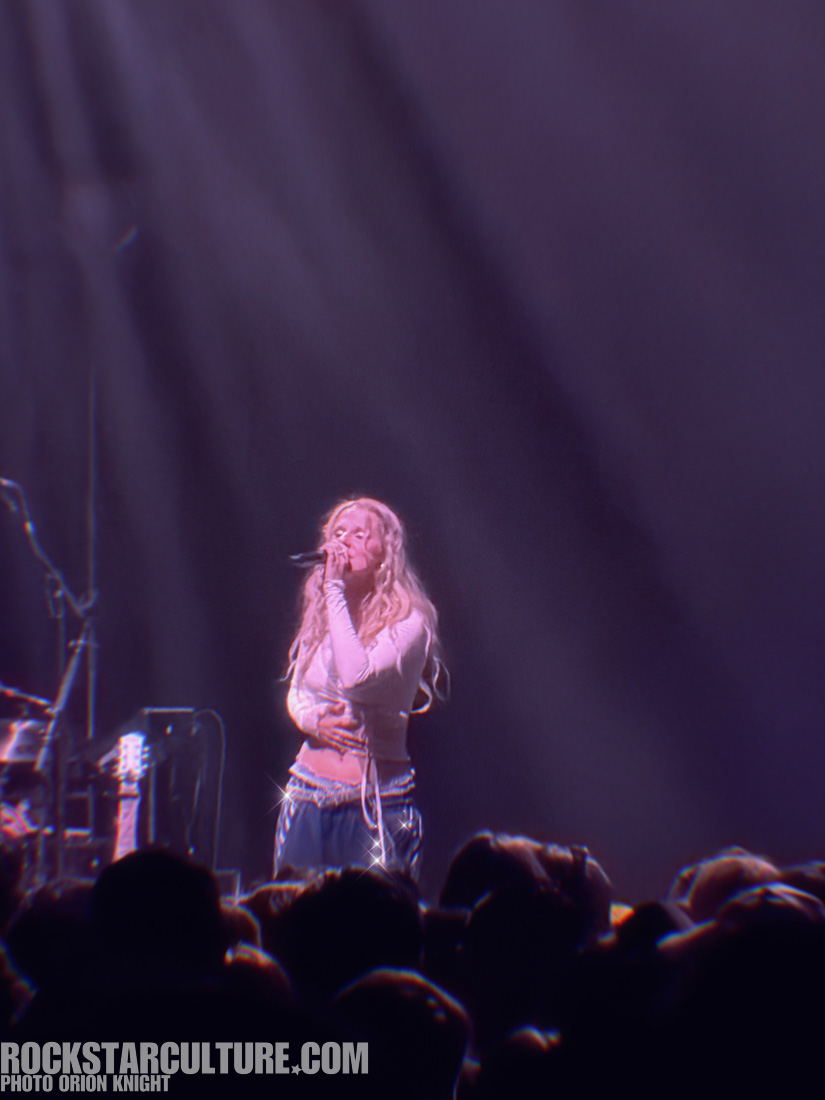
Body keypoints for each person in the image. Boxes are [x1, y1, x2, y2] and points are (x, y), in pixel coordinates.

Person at [274, 498, 443, 881]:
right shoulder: (320, 616)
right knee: (293, 921)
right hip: (306, 795)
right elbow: (298, 691)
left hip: (376, 804)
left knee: (372, 927)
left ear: (385, 552)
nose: (343, 542)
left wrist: (334, 591)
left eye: (358, 534)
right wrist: (313, 720)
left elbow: (358, 678)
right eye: (337, 533)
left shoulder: (410, 621)